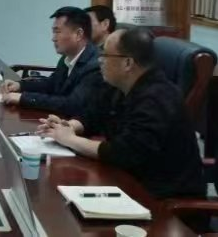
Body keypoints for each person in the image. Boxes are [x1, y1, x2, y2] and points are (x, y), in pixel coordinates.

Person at [37, 27, 204, 199]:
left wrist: (70, 140)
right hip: (128, 180)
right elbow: (93, 115)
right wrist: (69, 126)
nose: (99, 61)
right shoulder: (120, 86)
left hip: (162, 198)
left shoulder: (157, 99)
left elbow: (123, 153)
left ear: (127, 63)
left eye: (105, 55)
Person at [0, 6, 105, 117]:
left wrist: (23, 98)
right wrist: (20, 86)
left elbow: (71, 104)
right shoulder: (68, 57)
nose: (53, 38)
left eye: (57, 32)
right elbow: (51, 84)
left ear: (78, 34)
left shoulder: (94, 66)